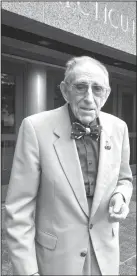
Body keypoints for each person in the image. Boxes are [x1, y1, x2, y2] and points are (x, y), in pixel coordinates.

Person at [5, 56, 133, 276]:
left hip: (105, 256)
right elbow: (19, 209)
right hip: (56, 260)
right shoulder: (35, 128)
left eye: (97, 89)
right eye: (81, 87)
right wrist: (28, 271)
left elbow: (124, 179)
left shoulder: (118, 128)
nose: (89, 98)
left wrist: (120, 196)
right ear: (65, 91)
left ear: (107, 93)